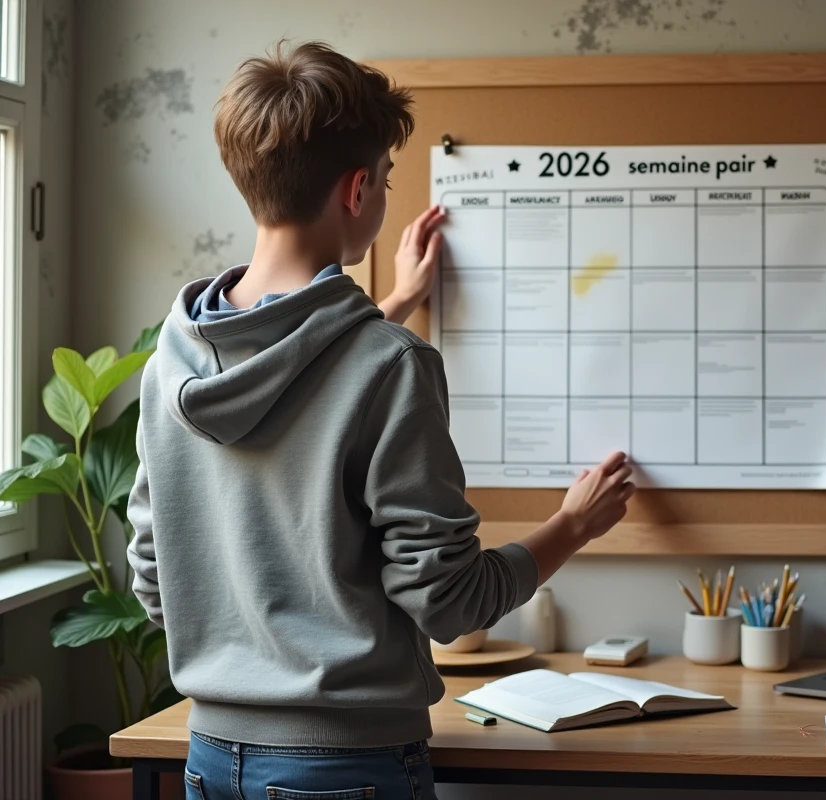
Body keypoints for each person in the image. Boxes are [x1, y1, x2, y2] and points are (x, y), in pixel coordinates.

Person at [126, 39, 634, 800]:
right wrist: (571, 526)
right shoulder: (390, 366)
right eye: (390, 178)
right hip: (344, 766)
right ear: (358, 190)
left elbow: (153, 572)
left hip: (208, 755)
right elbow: (449, 603)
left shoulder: (171, 361)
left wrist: (392, 303)